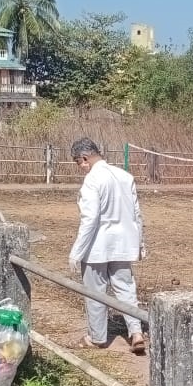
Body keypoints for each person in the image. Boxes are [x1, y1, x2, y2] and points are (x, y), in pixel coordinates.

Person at [67, 137, 147, 354]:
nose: (80, 168)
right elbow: (137, 214)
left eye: (78, 163)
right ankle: (136, 332)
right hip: (124, 242)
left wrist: (76, 252)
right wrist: (140, 243)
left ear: (85, 159)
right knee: (126, 289)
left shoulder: (93, 180)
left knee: (95, 291)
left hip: (97, 246)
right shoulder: (125, 176)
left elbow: (90, 219)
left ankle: (97, 337)